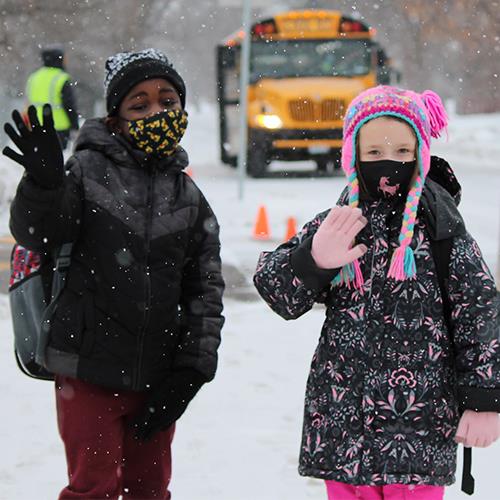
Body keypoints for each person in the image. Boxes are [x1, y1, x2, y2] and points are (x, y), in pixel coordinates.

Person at [253, 85, 500, 500]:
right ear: (353, 156)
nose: (389, 163)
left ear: (420, 153)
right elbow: (278, 292)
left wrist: (485, 399)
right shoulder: (340, 222)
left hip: (420, 430)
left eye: (403, 152)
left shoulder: (443, 229)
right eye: (373, 153)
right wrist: (313, 260)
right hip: (344, 423)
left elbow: (479, 313)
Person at [4, 48, 224, 499]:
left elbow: (206, 295)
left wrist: (191, 373)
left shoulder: (190, 198)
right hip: (87, 370)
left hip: (159, 377)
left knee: (150, 489)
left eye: (167, 101)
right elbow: (37, 232)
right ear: (115, 118)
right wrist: (43, 186)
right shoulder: (85, 173)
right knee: (92, 488)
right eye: (139, 105)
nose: (156, 112)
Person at [25, 45, 79, 149]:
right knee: (57, 159)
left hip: (36, 126)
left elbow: (28, 102)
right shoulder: (61, 78)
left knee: (41, 158)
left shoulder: (34, 77)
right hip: (58, 127)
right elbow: (69, 105)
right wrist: (74, 126)